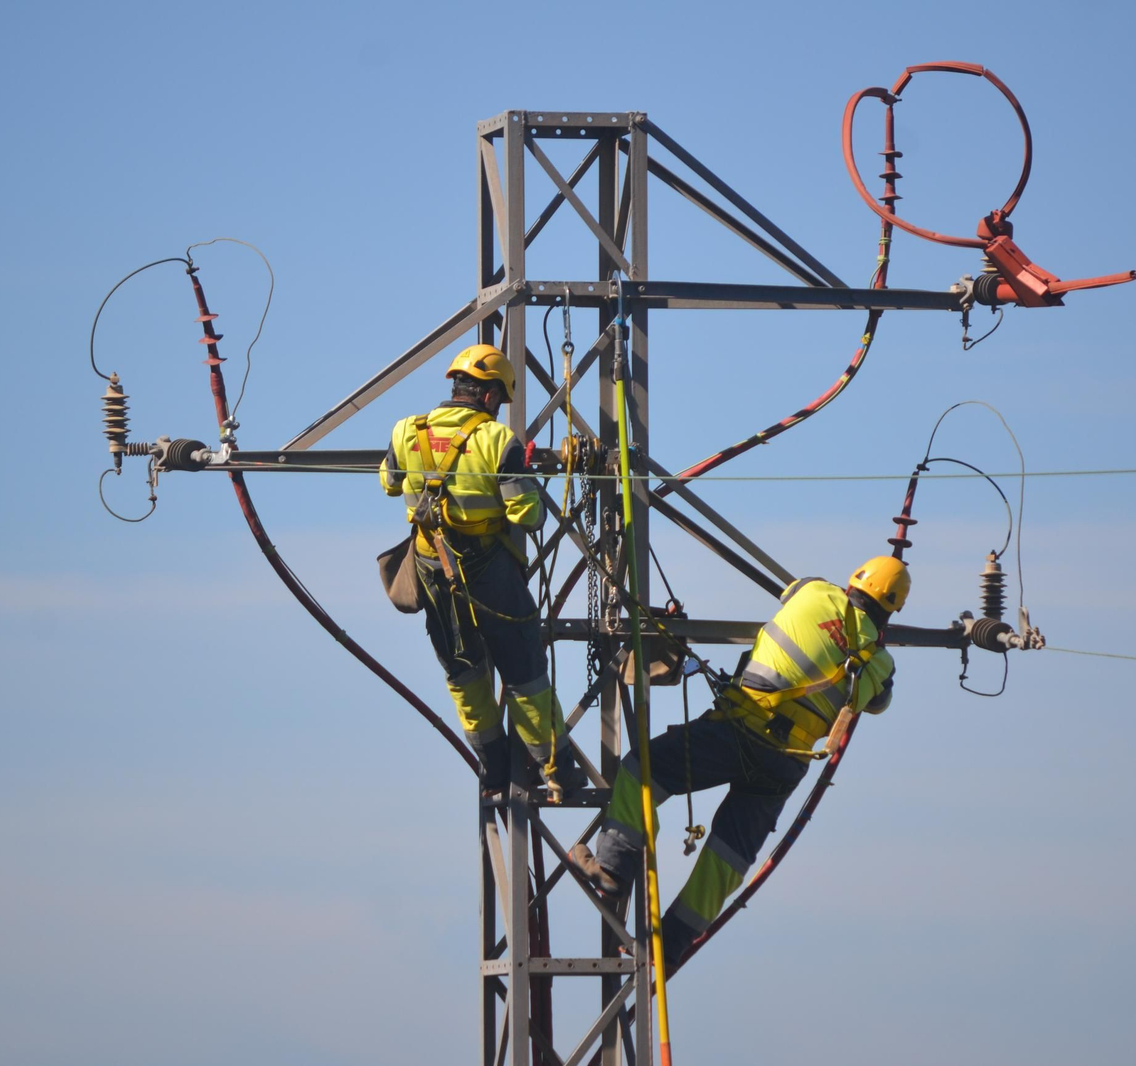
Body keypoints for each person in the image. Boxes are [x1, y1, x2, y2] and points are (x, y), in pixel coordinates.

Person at [571, 556, 909, 969]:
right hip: (784, 767)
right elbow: (879, 702)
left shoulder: (815, 591)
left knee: (644, 770)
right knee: (727, 859)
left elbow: (791, 593)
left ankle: (612, 868)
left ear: (854, 581)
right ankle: (668, 944)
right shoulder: (880, 664)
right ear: (892, 609)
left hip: (741, 729)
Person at [380, 343, 585, 796]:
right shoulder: (497, 441)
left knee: (464, 671)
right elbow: (527, 516)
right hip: (489, 574)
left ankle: (492, 766)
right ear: (490, 396)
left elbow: (389, 483)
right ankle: (556, 769)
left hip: (433, 571)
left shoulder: (405, 432)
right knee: (523, 670)